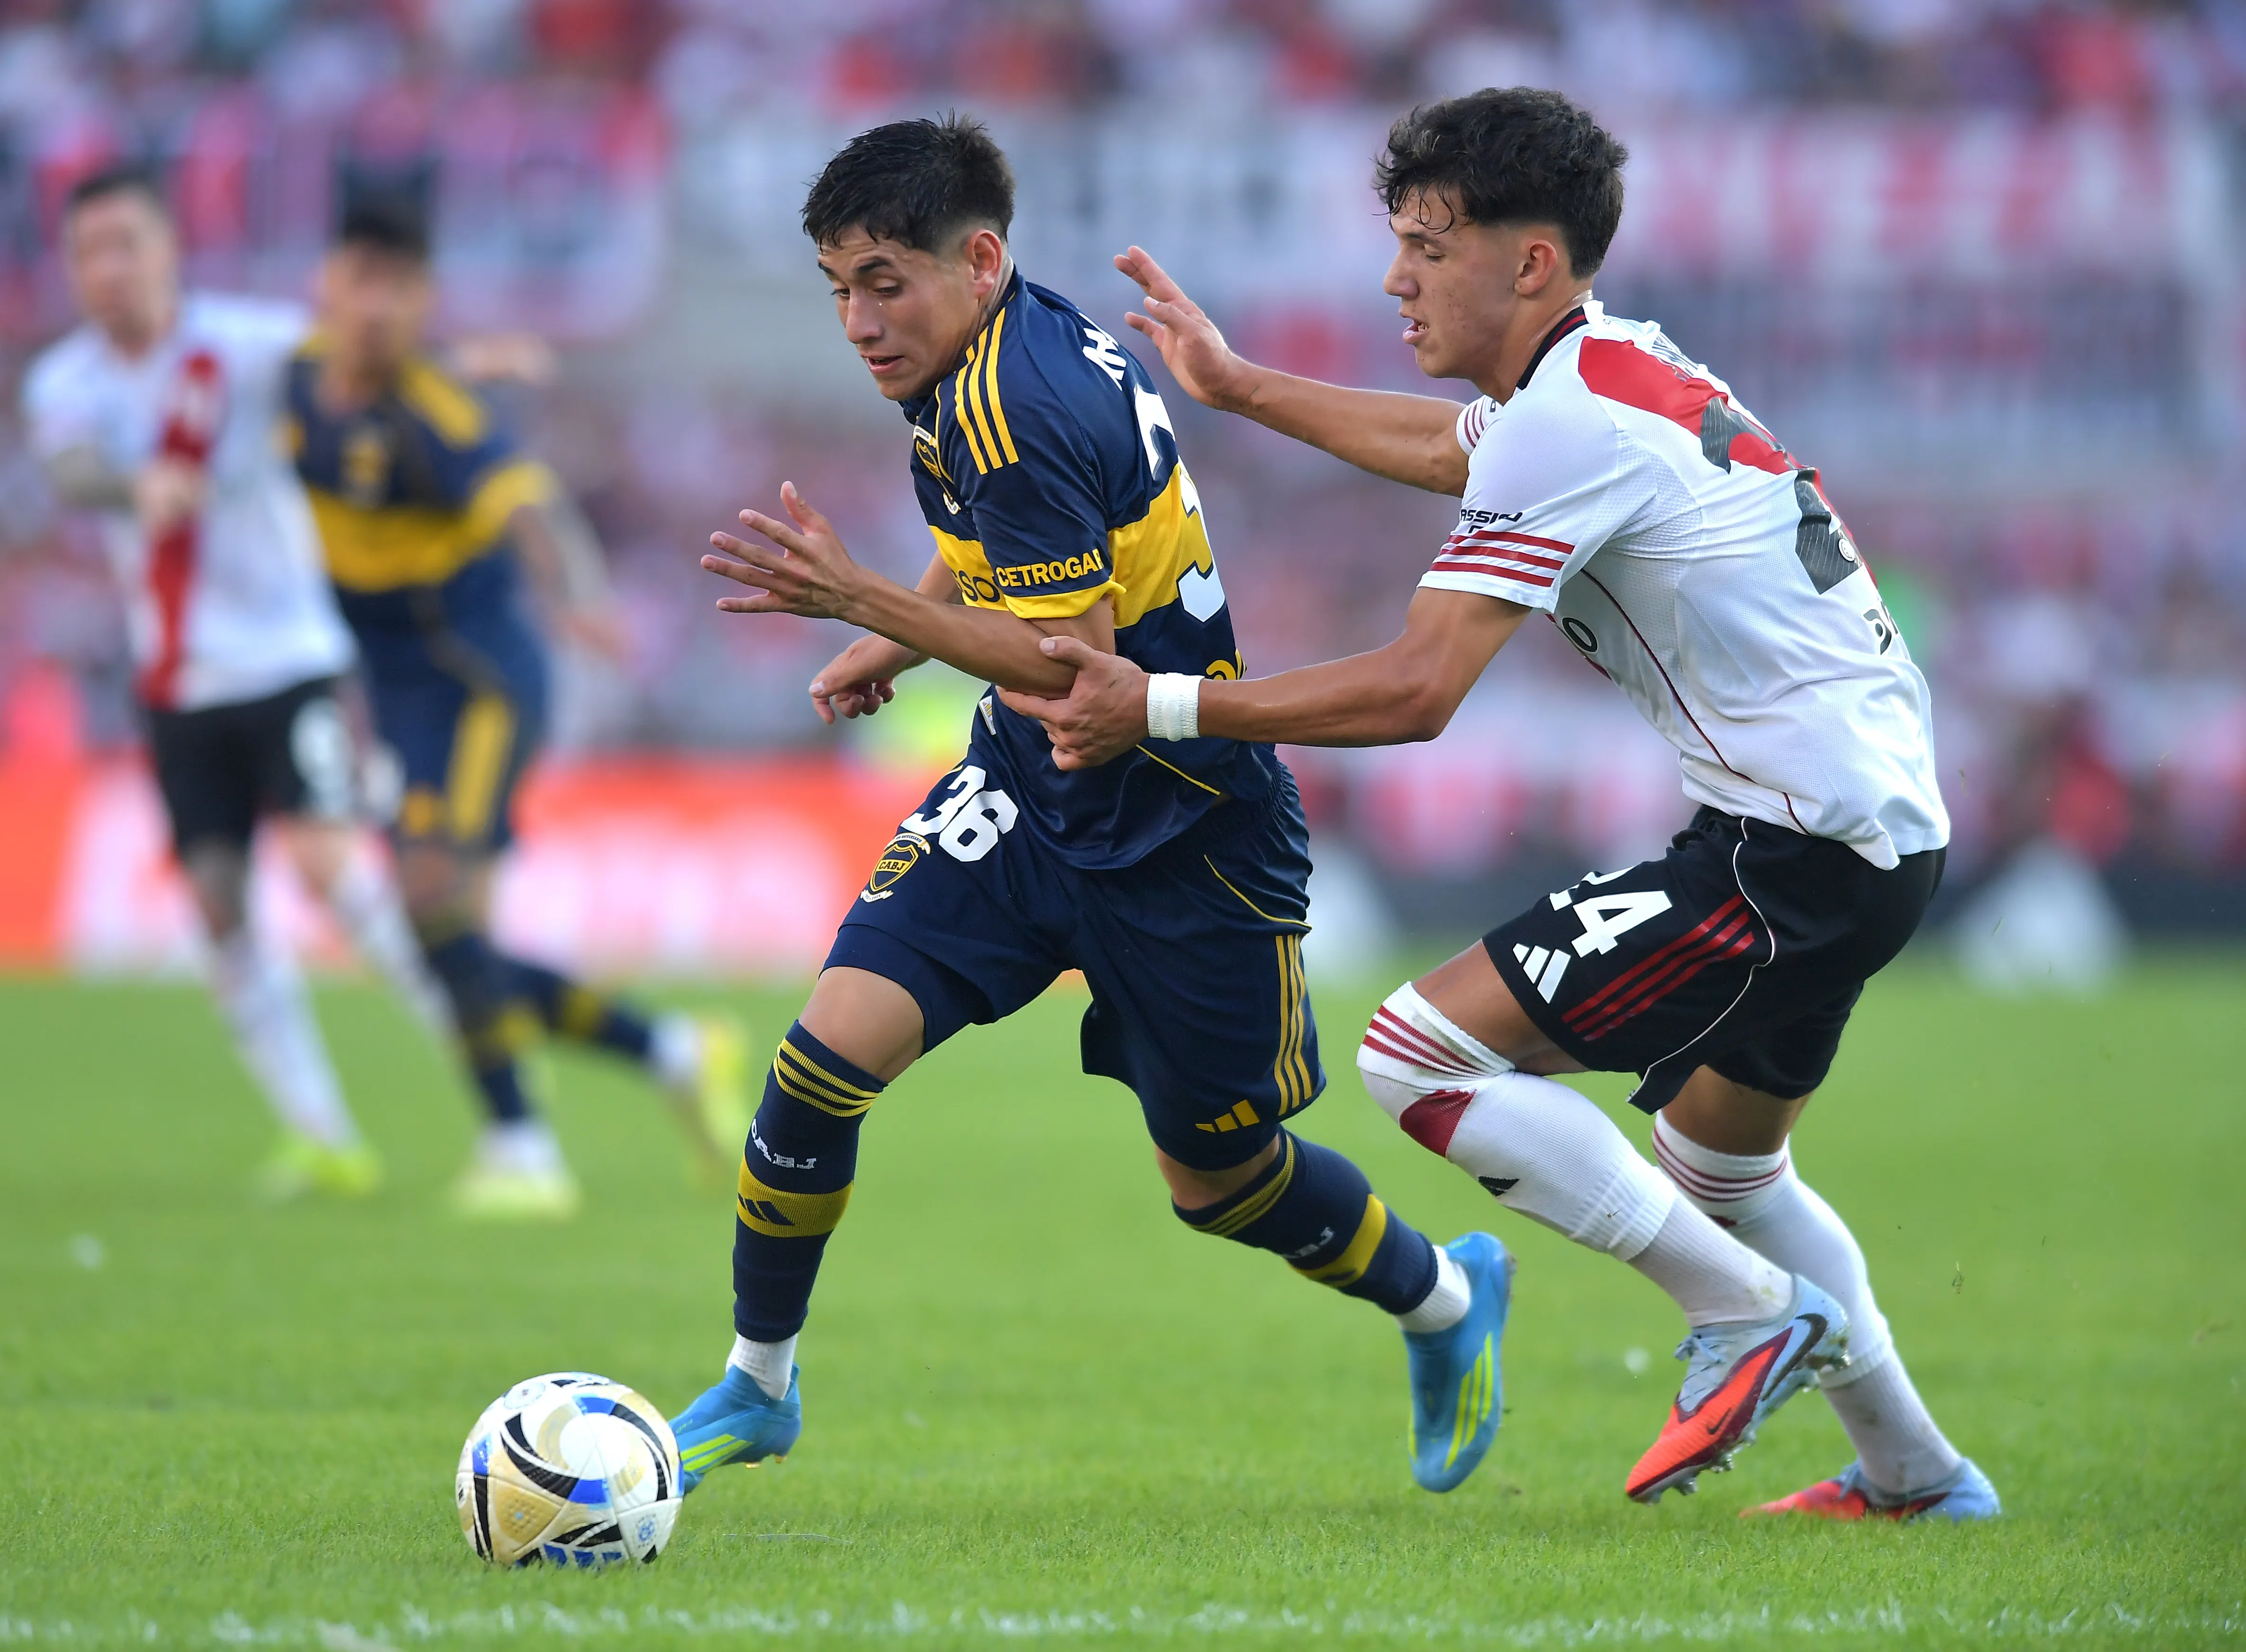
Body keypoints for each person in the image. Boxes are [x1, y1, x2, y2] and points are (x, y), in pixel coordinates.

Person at [1002, 89, 1998, 1521]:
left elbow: (1415, 692)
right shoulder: (1601, 375)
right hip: (1866, 833)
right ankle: (1918, 1474)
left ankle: (1745, 1316)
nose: (1395, 276)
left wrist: (1155, 703)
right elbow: (1454, 452)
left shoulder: (1572, 417)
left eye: (1427, 245)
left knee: (1420, 1058)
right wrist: (1240, 386)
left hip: (1794, 845)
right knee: (1723, 1164)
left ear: (1530, 264)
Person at [670, 116, 1513, 1496]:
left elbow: (1078, 670)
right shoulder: (992, 350)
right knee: (817, 1071)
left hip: (1185, 823)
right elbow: (1002, 545)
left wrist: (863, 600)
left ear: (979, 260)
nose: (857, 322)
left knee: (1223, 1183)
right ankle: (760, 1383)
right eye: (838, 288)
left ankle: (1445, 1301)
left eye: (884, 282)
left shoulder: (1020, 406)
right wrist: (908, 627)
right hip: (1025, 797)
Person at [285, 199, 748, 1221]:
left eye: (399, 288)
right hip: (402, 694)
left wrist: (581, 596)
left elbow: (532, 508)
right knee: (440, 929)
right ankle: (668, 1050)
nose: (376, 306)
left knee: (434, 902)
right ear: (329, 289)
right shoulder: (293, 380)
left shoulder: (438, 418)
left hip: (483, 684)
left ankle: (525, 1147)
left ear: (421, 301)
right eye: (360, 280)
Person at [24, 164, 454, 1202]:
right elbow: (74, 471)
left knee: (325, 868)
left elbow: (357, 363)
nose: (109, 271)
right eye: (89, 253)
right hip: (176, 682)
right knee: (218, 901)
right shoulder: (65, 382)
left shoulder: (249, 347)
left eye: (126, 244)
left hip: (290, 661)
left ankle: (479, 1047)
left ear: (170, 250)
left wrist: (447, 363)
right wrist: (138, 486)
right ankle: (323, 1134)